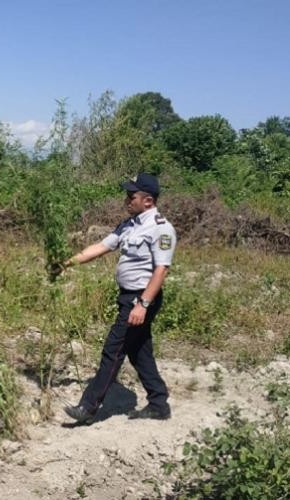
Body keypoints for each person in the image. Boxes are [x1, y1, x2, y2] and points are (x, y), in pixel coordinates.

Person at [57, 173, 176, 424]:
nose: (126, 200)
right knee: (139, 351)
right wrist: (66, 263)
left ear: (148, 200)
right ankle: (158, 403)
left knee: (114, 350)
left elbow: (161, 270)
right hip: (127, 297)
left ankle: (88, 408)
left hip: (141, 299)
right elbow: (100, 247)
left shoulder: (161, 228)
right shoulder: (128, 225)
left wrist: (142, 304)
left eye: (131, 196)